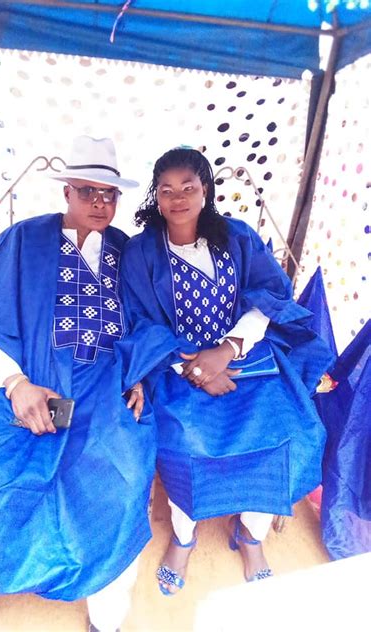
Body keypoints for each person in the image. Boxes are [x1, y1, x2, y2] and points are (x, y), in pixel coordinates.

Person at [0, 136, 161, 632]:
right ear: (67, 193)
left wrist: (141, 373)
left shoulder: (127, 252)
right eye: (88, 191)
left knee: (118, 495)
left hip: (104, 397)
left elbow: (146, 321)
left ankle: (106, 619)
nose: (99, 203)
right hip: (29, 387)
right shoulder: (25, 239)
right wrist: (15, 383)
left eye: (109, 194)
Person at [119, 147, 334, 595]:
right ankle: (184, 537)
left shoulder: (236, 236)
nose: (178, 198)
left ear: (206, 190)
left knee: (281, 437)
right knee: (186, 446)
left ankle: (250, 535)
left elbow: (271, 293)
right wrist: (193, 366)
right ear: (156, 197)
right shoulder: (140, 252)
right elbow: (138, 319)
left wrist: (228, 348)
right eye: (167, 190)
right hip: (175, 365)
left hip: (248, 358)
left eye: (189, 187)